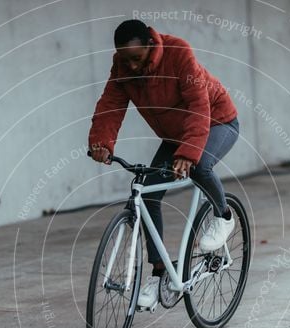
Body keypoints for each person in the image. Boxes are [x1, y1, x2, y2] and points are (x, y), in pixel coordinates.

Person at [88, 19, 239, 310]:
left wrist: (189, 152)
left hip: (218, 121)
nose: (131, 66)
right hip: (174, 135)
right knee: (149, 193)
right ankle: (159, 273)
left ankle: (224, 215)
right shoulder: (122, 66)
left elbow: (198, 104)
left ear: (149, 45)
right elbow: (110, 105)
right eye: (125, 58)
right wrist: (101, 143)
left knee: (199, 166)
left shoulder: (177, 53)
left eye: (136, 58)